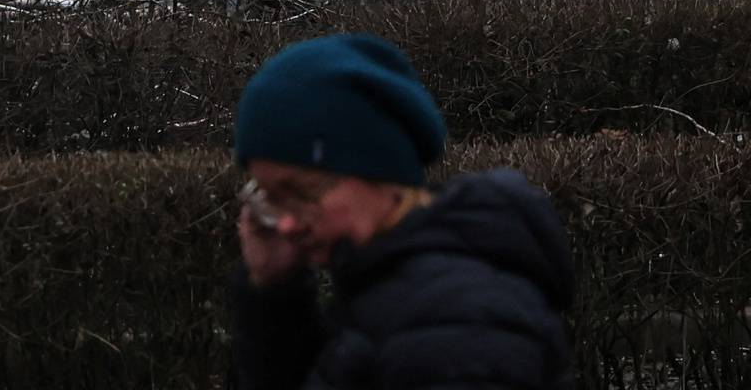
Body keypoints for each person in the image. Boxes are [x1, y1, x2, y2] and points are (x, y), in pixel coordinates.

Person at [230, 33, 574, 390]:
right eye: (269, 197)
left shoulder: (454, 327)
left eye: (301, 192)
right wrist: (273, 294)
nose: (285, 224)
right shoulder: (390, 297)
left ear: (377, 171)